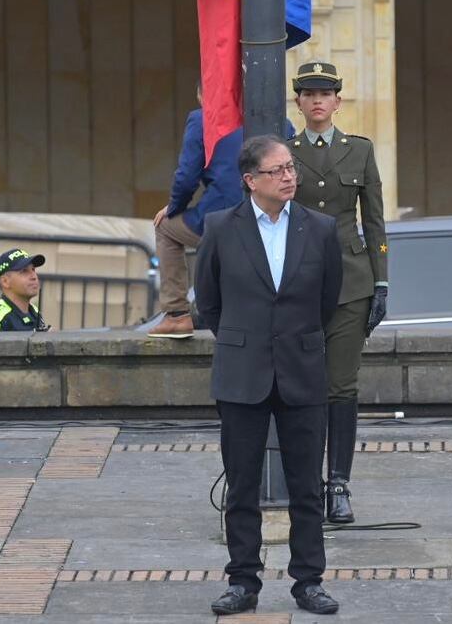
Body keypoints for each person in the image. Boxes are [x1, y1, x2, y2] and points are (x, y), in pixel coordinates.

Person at [195, 135, 343, 616]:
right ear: (250, 179)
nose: (288, 177)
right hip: (242, 373)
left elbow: (328, 299)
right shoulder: (220, 227)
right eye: (277, 170)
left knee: (306, 484)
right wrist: (246, 339)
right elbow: (209, 302)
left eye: (290, 168)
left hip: (302, 369)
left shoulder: (319, 228)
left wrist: (292, 338)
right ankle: (243, 581)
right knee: (242, 484)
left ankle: (308, 582)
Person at [287, 60, 388, 524]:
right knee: (299, 386)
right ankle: (305, 480)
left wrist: (381, 281)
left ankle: (339, 484)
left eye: (325, 94)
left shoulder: (359, 151)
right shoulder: (284, 153)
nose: (317, 101)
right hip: (300, 281)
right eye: (308, 94)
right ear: (299, 103)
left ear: (338, 101)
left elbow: (374, 221)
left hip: (351, 281)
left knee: (341, 386)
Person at [150, 82, 295, 338]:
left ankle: (176, 315)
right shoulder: (281, 122)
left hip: (222, 217)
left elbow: (186, 178)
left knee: (166, 228)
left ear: (202, 97)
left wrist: (174, 208)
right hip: (275, 218)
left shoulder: (202, 120)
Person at [0, 248, 50, 332]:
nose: (34, 276)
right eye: (24, 271)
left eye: (33, 269)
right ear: (5, 281)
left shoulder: (34, 312)